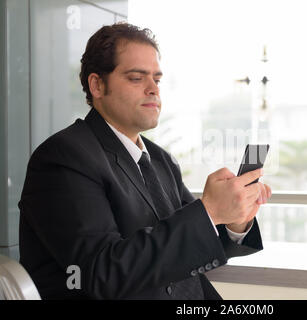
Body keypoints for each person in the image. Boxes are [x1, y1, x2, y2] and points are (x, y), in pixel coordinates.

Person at [18, 22, 271, 300]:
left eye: (157, 79)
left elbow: (200, 240)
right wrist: (209, 211)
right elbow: (101, 274)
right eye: (137, 78)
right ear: (97, 85)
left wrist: (235, 221)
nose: (153, 89)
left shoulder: (161, 160)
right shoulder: (62, 158)